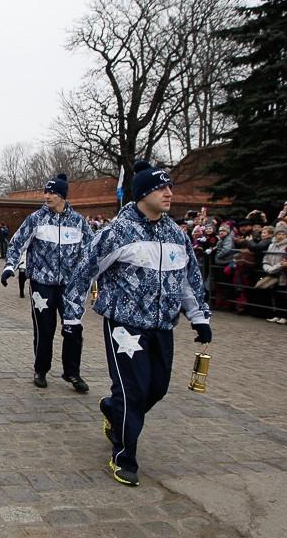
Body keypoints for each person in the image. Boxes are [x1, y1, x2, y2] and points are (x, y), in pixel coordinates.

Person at [63, 160, 212, 487]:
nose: (169, 193)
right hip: (124, 325)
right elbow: (85, 272)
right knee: (133, 391)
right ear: (143, 192)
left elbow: (187, 279)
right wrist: (72, 317)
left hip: (162, 326)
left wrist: (199, 316)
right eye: (161, 187)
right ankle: (124, 456)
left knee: (157, 388)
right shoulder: (117, 231)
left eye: (169, 186)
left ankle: (112, 410)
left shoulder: (176, 234)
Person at [1, 174, 94, 392]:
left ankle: (72, 373)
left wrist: (93, 277)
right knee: (45, 328)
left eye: (52, 192)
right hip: (42, 283)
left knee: (73, 328)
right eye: (46, 192)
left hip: (71, 286)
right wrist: (9, 266)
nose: (47, 196)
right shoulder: (36, 219)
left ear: (62, 195)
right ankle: (41, 369)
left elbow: (93, 251)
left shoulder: (79, 222)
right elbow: (17, 243)